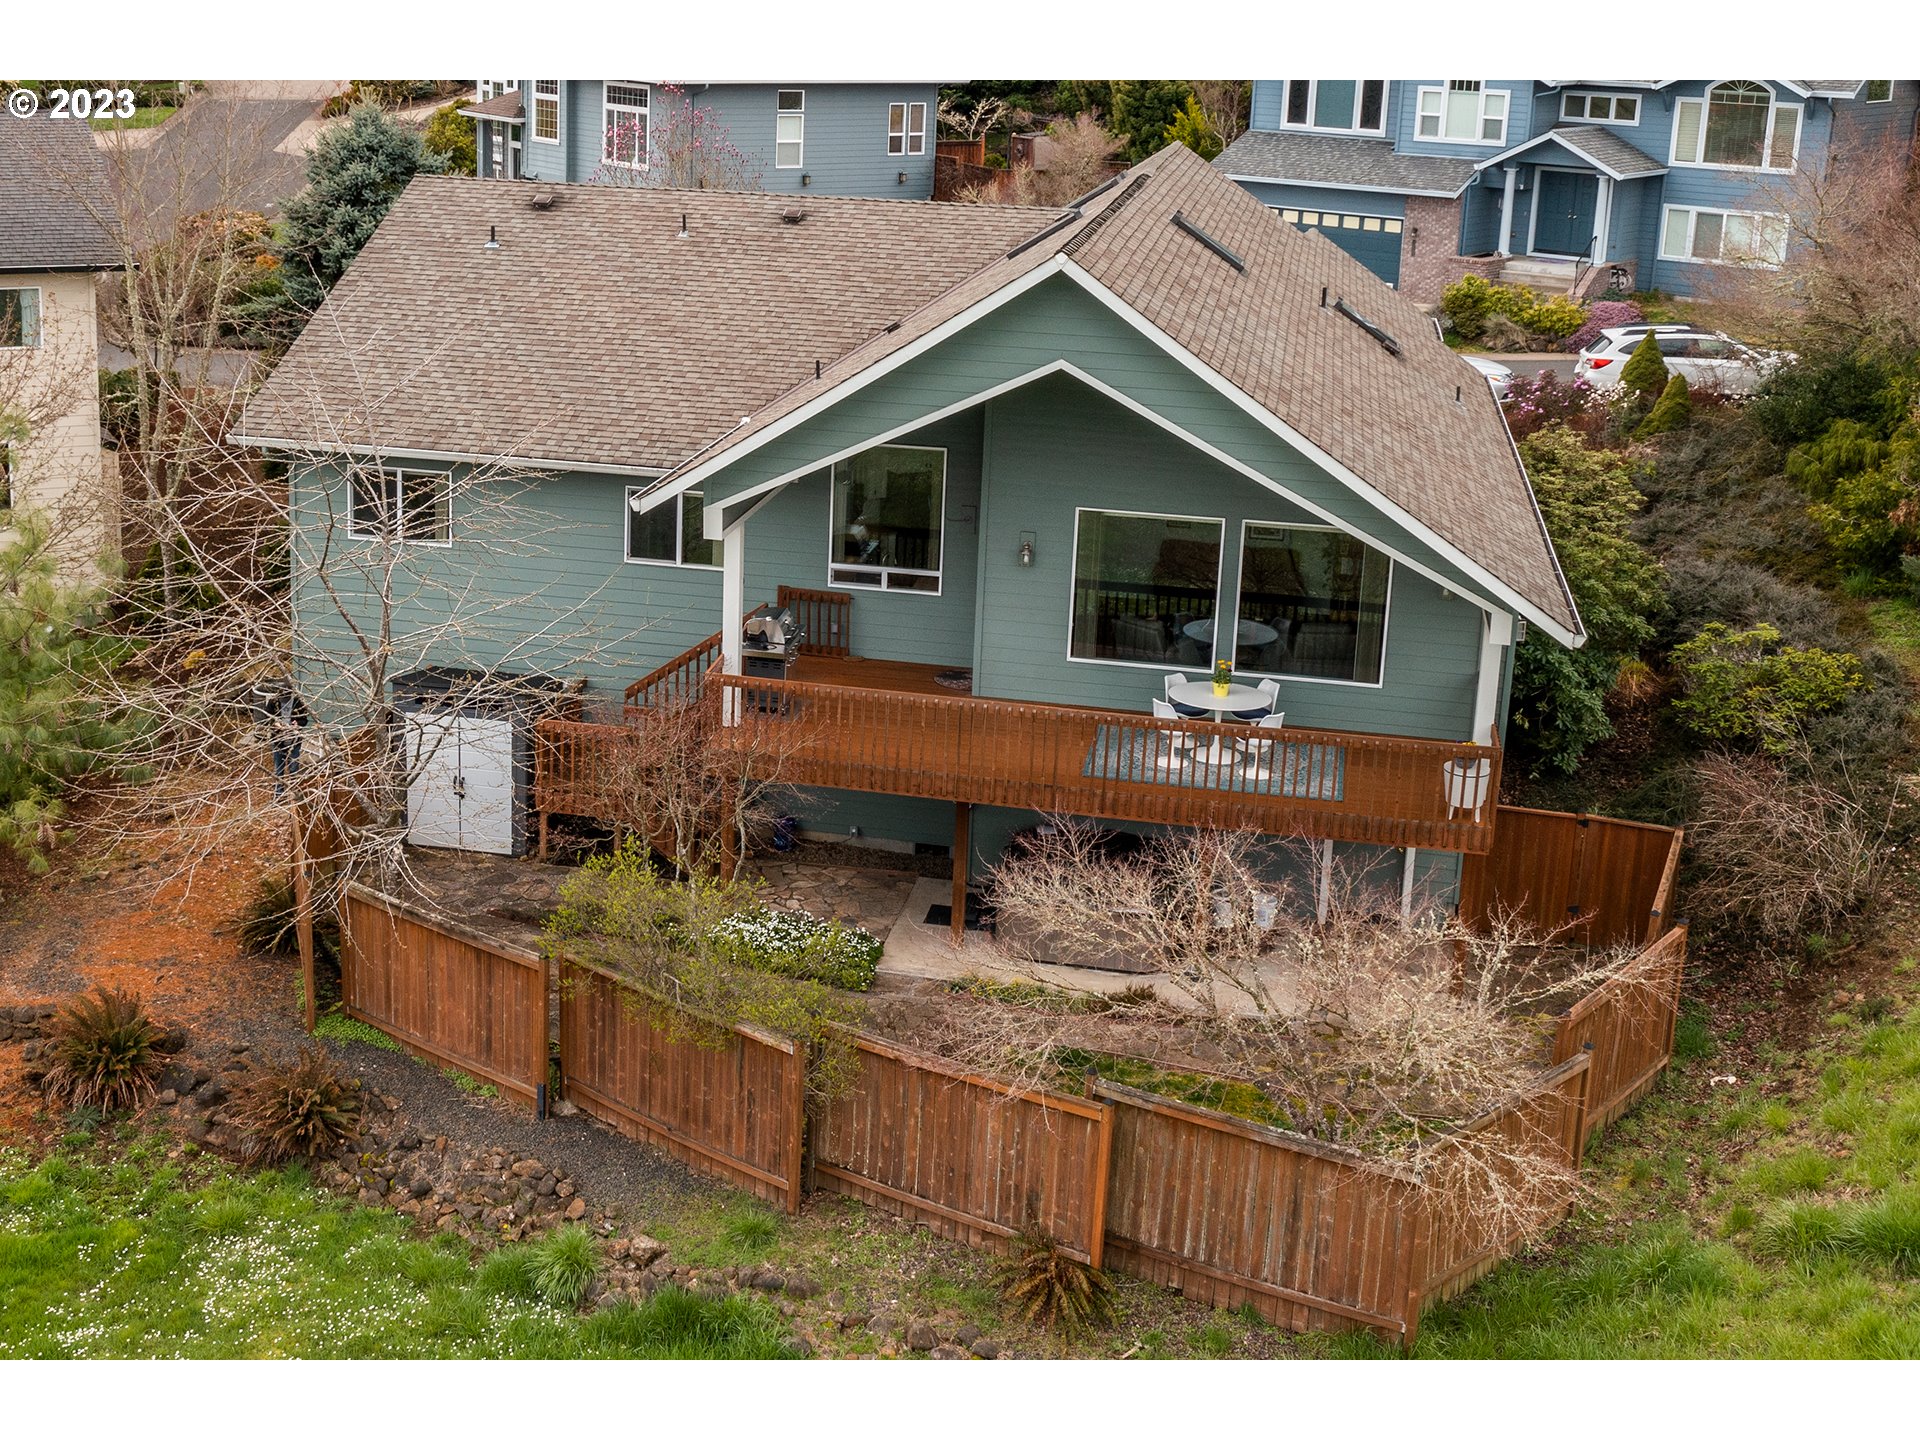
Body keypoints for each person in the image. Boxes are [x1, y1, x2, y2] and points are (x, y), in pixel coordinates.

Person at [250, 681, 311, 799]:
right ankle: (279, 794)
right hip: (278, 740)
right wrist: (275, 724)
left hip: (294, 739)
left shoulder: (298, 703)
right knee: (279, 768)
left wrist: (297, 723)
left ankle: (294, 793)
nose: (284, 700)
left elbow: (304, 720)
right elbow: (266, 718)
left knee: (293, 767)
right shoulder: (274, 702)